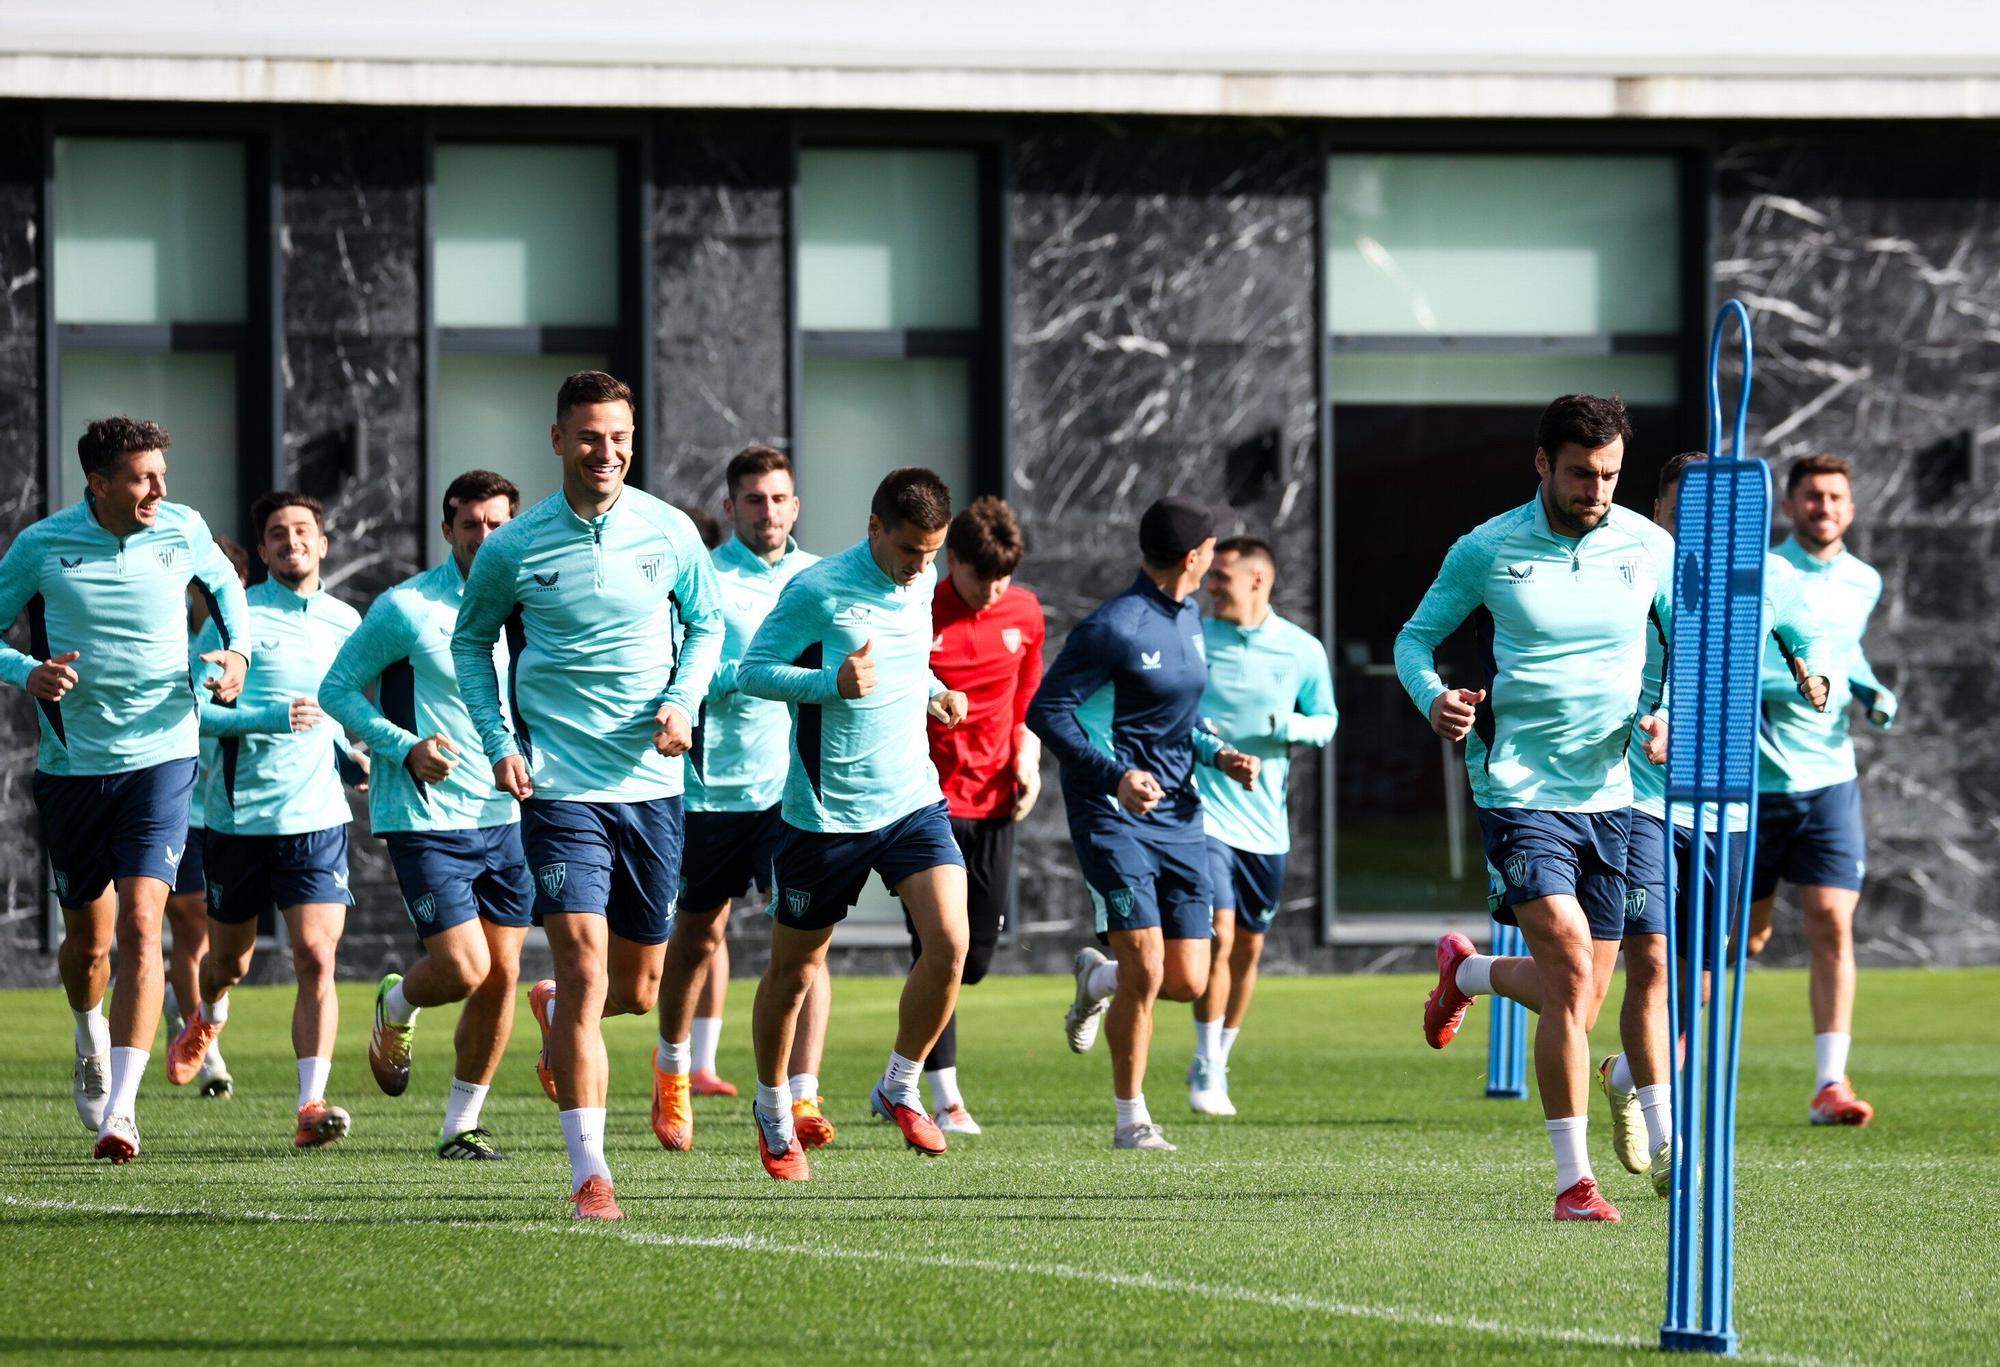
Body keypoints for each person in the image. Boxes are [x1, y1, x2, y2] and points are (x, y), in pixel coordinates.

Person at [1396, 394, 1673, 1223]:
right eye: (1583, 472)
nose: (1598, 488)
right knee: (1571, 964)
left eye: (1612, 474)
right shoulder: (1487, 547)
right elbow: (1416, 639)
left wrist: (1671, 715)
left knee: (1580, 998)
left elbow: (1687, 648)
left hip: (1614, 794)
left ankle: (1468, 972)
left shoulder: (1648, 546)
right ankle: (1576, 1181)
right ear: (1543, 463)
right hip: (1517, 790)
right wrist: (1435, 699)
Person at [453, 370, 722, 1220]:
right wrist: (498, 742)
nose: (607, 452)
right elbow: (471, 642)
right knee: (582, 962)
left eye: (620, 436)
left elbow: (708, 623)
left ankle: (557, 1013)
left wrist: (684, 700)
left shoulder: (670, 530)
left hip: (651, 786)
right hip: (559, 787)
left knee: (637, 991)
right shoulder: (514, 547)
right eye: (590, 436)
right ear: (558, 438)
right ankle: (589, 1172)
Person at [0, 416, 251, 1162]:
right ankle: (87, 1032)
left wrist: (235, 652)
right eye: (143, 477)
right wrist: (26, 672)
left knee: (147, 921)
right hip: (74, 768)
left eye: (162, 474)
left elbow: (228, 586)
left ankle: (123, 1109)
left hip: (164, 756)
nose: (159, 488)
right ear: (99, 483)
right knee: (90, 941)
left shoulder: (184, 527)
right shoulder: (42, 546)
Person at [737, 467, 971, 1181]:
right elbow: (752, 671)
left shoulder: (924, 580)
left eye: (933, 552)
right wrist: (828, 685)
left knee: (951, 944)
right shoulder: (816, 590)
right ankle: (775, 1106)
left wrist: (934, 690)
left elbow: (904, 658)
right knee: (794, 971)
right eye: (910, 551)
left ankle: (900, 1083)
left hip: (911, 801)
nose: (922, 567)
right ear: (874, 529)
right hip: (825, 815)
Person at [1030, 496, 1259, 1153]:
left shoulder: (1188, 615)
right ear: (1195, 557)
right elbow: (1047, 711)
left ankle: (1095, 980)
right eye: (1214, 550)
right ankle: (1132, 1119)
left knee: (1186, 980)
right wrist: (1114, 778)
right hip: (1112, 816)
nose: (1216, 560)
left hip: (1181, 815)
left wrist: (1220, 754)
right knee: (1148, 964)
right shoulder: (1115, 626)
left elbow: (1178, 719)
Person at [322, 469, 534, 1160]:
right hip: (427, 814)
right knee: (466, 968)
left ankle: (460, 1126)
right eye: (469, 523)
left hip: (509, 813)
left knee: (503, 976)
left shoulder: (535, 608)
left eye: (497, 523)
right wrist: (404, 747)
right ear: (448, 530)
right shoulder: (406, 607)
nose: (483, 535)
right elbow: (337, 689)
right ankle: (396, 1003)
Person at [169, 490, 367, 1151]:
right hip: (238, 819)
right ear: (262, 550)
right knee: (229, 961)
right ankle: (207, 1013)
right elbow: (193, 713)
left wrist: (352, 751)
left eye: (303, 530)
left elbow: (335, 707)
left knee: (316, 955)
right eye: (278, 533)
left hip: (317, 817)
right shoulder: (235, 618)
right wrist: (266, 717)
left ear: (323, 542)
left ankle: (310, 1102)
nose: (292, 541)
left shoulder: (348, 619)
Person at [652, 445, 837, 1153]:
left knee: (806, 946)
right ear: (730, 508)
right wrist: (741, 675)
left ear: (797, 504)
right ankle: (672, 1069)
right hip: (708, 790)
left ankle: (803, 1091)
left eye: (780, 498)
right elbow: (676, 669)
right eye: (754, 500)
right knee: (698, 938)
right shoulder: (702, 577)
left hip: (792, 791)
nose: (769, 511)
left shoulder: (820, 577)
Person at [1746, 454, 1895, 1126]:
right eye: (1811, 496)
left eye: (1835, 496)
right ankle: (1660, 1061)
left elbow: (1846, 649)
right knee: (1738, 941)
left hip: (1830, 777)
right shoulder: (1765, 572)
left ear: (1851, 507)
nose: (1823, 506)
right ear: (1791, 506)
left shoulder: (1865, 580)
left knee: (1834, 919)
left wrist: (1869, 688)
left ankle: (1830, 1082)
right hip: (1756, 781)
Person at [1184, 536, 1336, 1117]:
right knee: (1219, 935)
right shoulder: (1194, 637)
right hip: (1204, 814)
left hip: (1266, 827)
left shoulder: (1301, 650)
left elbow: (1326, 722)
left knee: (1248, 948)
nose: (1209, 586)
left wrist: (1286, 726)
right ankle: (1205, 1066)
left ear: (1257, 581)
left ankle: (1222, 1058)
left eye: (1220, 577)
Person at [920, 496, 1046, 1134]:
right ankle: (942, 1097)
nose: (994, 591)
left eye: (1005, 578)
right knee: (942, 947)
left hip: (996, 804)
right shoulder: (919, 609)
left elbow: (1027, 692)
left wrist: (1030, 751)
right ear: (953, 562)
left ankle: (903, 1069)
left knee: (977, 959)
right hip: (926, 804)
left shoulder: (1023, 611)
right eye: (981, 578)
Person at [163, 533, 252, 1101]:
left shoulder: (240, 639)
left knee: (220, 942)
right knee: (189, 919)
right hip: (175, 799)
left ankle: (191, 1015)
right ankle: (206, 1047)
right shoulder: (175, 634)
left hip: (229, 807)